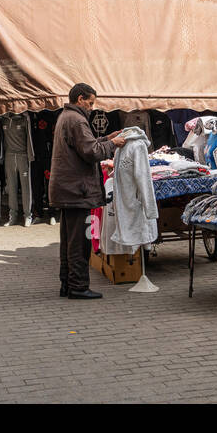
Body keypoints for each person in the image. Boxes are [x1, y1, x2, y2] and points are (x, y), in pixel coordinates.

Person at [50, 83, 125, 300]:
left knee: (68, 240)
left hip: (68, 190)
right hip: (76, 191)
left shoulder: (67, 117)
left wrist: (108, 138)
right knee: (79, 242)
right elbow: (90, 151)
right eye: (90, 102)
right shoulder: (77, 120)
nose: (92, 107)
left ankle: (68, 284)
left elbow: (87, 145)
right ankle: (78, 286)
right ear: (80, 99)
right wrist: (114, 145)